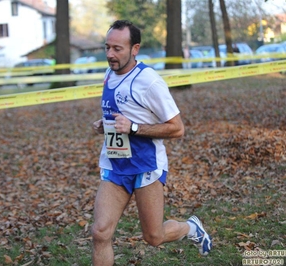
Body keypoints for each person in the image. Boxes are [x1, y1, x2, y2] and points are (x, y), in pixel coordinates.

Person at [91, 20, 212, 266]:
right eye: (107, 48)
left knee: (153, 236)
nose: (110, 55)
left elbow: (177, 128)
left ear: (134, 49)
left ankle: (191, 228)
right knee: (100, 232)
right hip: (115, 166)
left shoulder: (149, 81)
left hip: (145, 166)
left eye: (117, 49)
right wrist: (105, 125)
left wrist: (134, 128)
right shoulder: (109, 74)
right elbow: (122, 114)